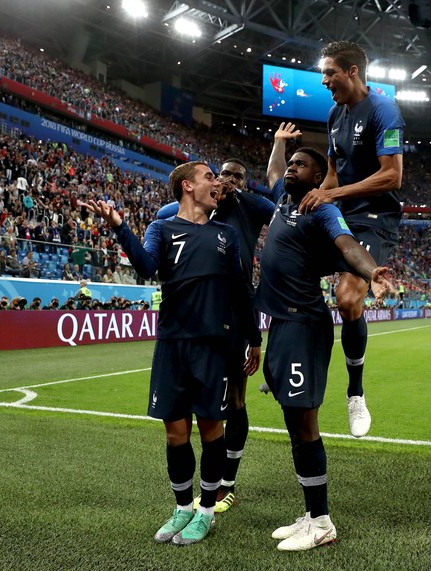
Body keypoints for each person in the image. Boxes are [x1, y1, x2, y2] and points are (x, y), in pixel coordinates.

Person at [83, 161, 262, 546]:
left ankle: (207, 512)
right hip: (172, 345)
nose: (217, 183)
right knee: (175, 432)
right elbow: (146, 267)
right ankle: (182, 508)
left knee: (212, 430)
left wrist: (254, 339)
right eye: (209, 177)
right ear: (187, 187)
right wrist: (119, 226)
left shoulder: (226, 235)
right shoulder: (161, 229)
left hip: (213, 346)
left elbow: (239, 291)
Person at [257, 146, 394, 551]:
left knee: (305, 425)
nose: (292, 169)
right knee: (291, 423)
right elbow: (273, 173)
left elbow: (348, 245)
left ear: (318, 179)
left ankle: (322, 523)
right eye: (292, 164)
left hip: (304, 323)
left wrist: (373, 270)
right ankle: (310, 513)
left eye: (302, 165)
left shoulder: (322, 210)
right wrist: (281, 145)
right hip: (280, 324)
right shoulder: (283, 198)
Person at [295, 41, 406, 437]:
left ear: (353, 71)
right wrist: (314, 202)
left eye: (330, 73)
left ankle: (355, 395)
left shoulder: (384, 110)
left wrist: (332, 195)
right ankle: (295, 359)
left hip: (375, 218)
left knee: (346, 297)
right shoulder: (333, 114)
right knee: (290, 266)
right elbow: (333, 174)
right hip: (342, 211)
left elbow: (393, 176)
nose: (324, 81)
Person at [156, 157, 277, 513]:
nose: (226, 180)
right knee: (198, 406)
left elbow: (278, 210)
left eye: (236, 176)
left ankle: (228, 482)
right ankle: (203, 490)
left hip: (235, 314)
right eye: (221, 174)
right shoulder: (203, 209)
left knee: (235, 399)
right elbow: (168, 211)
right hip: (199, 315)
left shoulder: (249, 207)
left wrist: (239, 194)